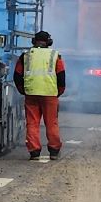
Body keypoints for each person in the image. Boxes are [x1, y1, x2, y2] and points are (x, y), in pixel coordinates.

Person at [14, 29, 65, 160]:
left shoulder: (25, 56)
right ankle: (54, 151)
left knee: (32, 123)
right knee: (51, 123)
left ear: (33, 41)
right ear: (49, 42)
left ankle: (34, 152)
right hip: (50, 95)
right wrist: (58, 92)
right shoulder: (55, 56)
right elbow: (61, 77)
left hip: (31, 94)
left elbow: (17, 75)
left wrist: (22, 90)